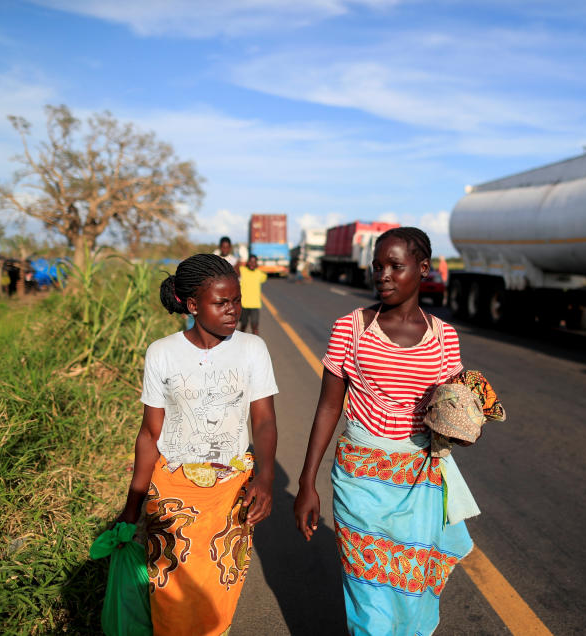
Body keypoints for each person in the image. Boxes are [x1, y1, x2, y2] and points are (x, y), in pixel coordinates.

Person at [294, 227, 476, 635]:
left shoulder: (444, 338)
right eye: (378, 266)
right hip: (359, 479)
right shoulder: (351, 328)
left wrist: (467, 421)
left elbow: (456, 412)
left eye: (396, 265)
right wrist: (307, 482)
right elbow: (328, 406)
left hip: (420, 482)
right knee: (370, 601)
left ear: (423, 269)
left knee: (411, 594)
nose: (384, 275)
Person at [115, 253, 278, 636]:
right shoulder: (162, 353)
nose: (233, 310)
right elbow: (150, 434)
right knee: (169, 598)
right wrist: (132, 506)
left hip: (230, 496)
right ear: (192, 305)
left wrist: (265, 479)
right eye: (221, 302)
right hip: (170, 497)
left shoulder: (252, 349)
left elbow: (265, 419)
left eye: (235, 300)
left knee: (217, 600)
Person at [238, 255, 267, 335]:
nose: (252, 264)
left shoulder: (259, 274)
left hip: (255, 305)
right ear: (247, 262)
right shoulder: (242, 270)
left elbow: (265, 275)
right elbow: (236, 270)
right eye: (250, 261)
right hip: (243, 304)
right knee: (243, 325)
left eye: (254, 262)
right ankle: (239, 343)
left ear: (256, 263)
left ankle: (257, 344)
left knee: (254, 326)